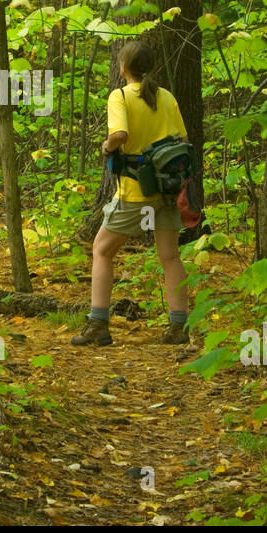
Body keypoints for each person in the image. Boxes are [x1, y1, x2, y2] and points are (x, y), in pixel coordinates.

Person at [72, 40, 191, 347]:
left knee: (102, 250)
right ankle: (178, 327)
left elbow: (120, 135)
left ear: (122, 67)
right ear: (151, 68)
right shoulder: (166, 97)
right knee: (170, 256)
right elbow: (182, 138)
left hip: (136, 192)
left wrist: (107, 146)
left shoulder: (120, 96)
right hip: (168, 189)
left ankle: (98, 324)